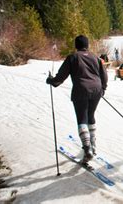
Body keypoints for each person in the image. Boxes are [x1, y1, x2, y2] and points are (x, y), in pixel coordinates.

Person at [46, 35, 108, 163]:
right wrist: (103, 89)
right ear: (87, 45)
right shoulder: (95, 58)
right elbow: (104, 75)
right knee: (91, 116)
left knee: (82, 119)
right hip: (96, 89)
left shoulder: (72, 57)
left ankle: (87, 149)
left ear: (76, 45)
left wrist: (51, 81)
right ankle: (93, 145)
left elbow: (60, 77)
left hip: (81, 90)